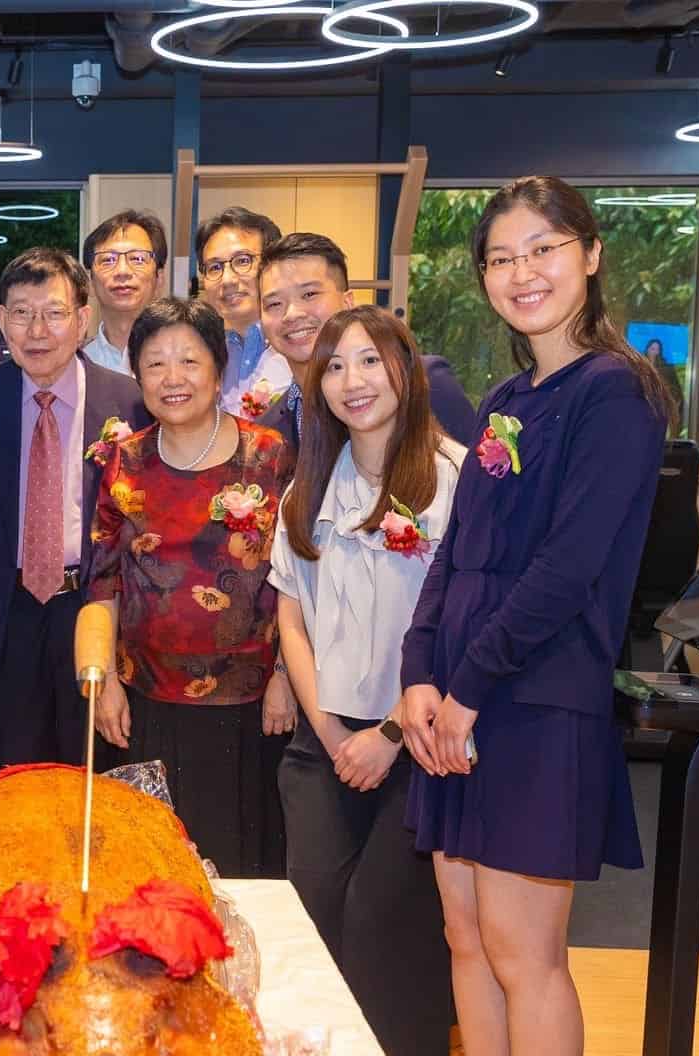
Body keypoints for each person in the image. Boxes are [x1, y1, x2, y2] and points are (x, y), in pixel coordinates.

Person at [398, 176, 673, 1056]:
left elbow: (568, 567)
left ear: (590, 255)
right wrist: (420, 672)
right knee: (466, 938)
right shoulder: (512, 396)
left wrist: (469, 685)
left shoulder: (615, 393)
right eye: (501, 258)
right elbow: (455, 551)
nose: (523, 273)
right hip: (459, 699)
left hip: (534, 701)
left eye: (543, 248)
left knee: (526, 951)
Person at [271, 307, 463, 1056]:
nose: (353, 382)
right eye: (336, 367)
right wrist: (331, 733)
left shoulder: (452, 479)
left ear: (404, 370)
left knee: (385, 926)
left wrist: (387, 736)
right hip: (327, 738)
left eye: (370, 362)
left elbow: (461, 621)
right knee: (314, 913)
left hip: (416, 742)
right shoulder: (310, 483)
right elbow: (291, 617)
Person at [88, 296, 295, 875]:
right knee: (151, 867)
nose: (172, 378)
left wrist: (286, 677)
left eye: (189, 361)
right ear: (137, 375)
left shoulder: (269, 456)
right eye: (155, 363)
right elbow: (103, 582)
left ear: (218, 369)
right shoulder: (124, 461)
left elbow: (298, 579)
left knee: (244, 866)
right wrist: (105, 684)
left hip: (251, 703)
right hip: (145, 701)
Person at [0, 247, 148, 778]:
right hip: (6, 612)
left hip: (93, 606)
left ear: (82, 319)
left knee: (91, 775)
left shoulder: (131, 403)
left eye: (53, 312)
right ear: (2, 320)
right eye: (21, 313)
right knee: (9, 783)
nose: (37, 330)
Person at [255, 231, 478, 444]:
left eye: (309, 294)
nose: (292, 314)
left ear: (348, 302)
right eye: (274, 304)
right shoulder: (268, 432)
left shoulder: (421, 381)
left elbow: (473, 467)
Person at [194, 206, 291, 416]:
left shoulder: (298, 344)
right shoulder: (205, 354)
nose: (227, 279)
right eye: (215, 267)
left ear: (273, 266)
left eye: (243, 261)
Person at [82, 210, 168, 376]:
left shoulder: (184, 359)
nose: (122, 271)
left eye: (137, 259)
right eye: (108, 260)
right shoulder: (76, 366)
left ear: (159, 279)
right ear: (90, 282)